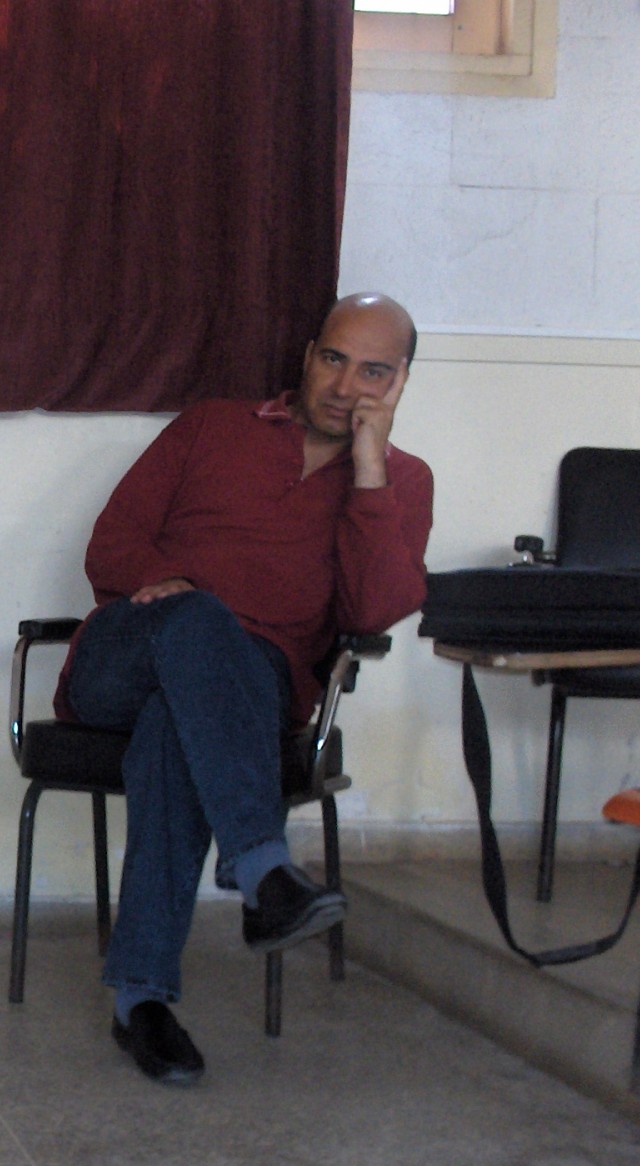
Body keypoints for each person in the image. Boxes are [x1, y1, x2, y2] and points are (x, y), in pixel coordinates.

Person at [59, 293, 432, 1086]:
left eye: (373, 371)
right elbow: (111, 541)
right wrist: (165, 585)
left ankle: (142, 1001)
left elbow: (373, 610)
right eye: (334, 359)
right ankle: (263, 867)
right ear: (307, 354)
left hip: (252, 688)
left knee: (178, 726)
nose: (345, 385)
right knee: (198, 623)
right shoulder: (213, 426)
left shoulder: (403, 483)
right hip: (131, 653)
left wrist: (370, 470)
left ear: (400, 382)